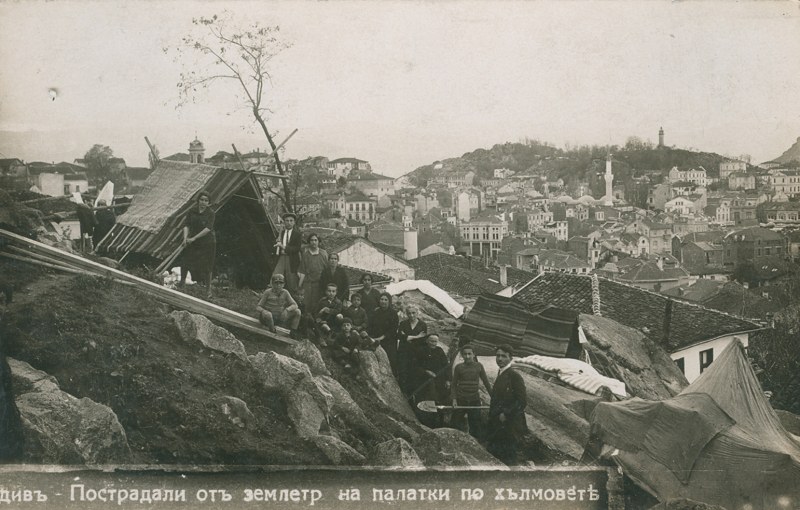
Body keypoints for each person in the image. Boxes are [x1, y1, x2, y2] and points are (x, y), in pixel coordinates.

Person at [487, 344, 527, 465]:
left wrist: (506, 413)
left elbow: (522, 401)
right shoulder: (501, 373)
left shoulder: (514, 376)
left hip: (509, 424)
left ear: (511, 358)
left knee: (509, 456)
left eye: (504, 356)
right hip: (498, 423)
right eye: (498, 356)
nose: (500, 359)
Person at [451, 344, 492, 440]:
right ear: (462, 355)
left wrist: (494, 398)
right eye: (465, 354)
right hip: (461, 399)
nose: (467, 356)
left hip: (474, 400)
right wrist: (454, 399)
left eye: (470, 354)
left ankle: (476, 446)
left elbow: (486, 383)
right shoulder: (459, 367)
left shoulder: (479, 366)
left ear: (474, 354)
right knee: (455, 424)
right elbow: (453, 385)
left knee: (476, 425)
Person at [181, 191, 216, 298]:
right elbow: (186, 225)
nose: (203, 202)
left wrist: (194, 238)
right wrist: (185, 238)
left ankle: (208, 290)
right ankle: (182, 284)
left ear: (209, 203)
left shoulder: (210, 213)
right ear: (198, 200)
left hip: (207, 242)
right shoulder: (192, 211)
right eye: (201, 200)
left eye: (206, 200)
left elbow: (208, 229)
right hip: (191, 240)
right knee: (185, 261)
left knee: (207, 266)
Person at [411, 334, 451, 428]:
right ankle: (425, 424)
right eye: (432, 341)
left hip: (438, 381)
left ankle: (438, 424)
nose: (434, 343)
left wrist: (448, 380)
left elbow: (446, 366)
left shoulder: (439, 351)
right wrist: (426, 371)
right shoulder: (420, 350)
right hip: (423, 382)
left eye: (435, 341)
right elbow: (414, 365)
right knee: (425, 402)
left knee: (438, 401)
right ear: (427, 341)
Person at [256, 273, 301, 338]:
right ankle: (272, 331)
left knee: (297, 311)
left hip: (279, 318)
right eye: (276, 283)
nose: (278, 285)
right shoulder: (268, 292)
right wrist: (264, 311)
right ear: (272, 284)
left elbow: (295, 305)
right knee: (269, 315)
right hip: (267, 319)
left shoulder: (285, 292)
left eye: (280, 283)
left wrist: (287, 310)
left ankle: (293, 332)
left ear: (284, 284)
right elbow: (258, 307)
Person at [396, 305, 428, 396]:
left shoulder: (422, 325)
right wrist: (416, 337)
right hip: (404, 351)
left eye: (413, 313)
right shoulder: (403, 324)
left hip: (415, 352)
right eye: (409, 313)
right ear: (406, 314)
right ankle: (403, 393)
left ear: (417, 313)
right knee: (402, 371)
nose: (411, 315)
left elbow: (423, 340)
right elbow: (400, 336)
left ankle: (412, 393)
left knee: (413, 372)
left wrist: (407, 337)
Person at [367, 292, 399, 373]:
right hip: (376, 339)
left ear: (389, 301)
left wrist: (381, 338)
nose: (383, 301)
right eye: (381, 299)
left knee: (390, 361)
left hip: (389, 341)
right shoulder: (375, 312)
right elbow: (370, 326)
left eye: (385, 300)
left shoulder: (393, 313)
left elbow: (393, 329)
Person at [272, 212, 302, 297]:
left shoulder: (297, 234)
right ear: (284, 222)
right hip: (281, 257)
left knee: (291, 279)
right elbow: (278, 244)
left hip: (291, 259)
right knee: (275, 275)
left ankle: (294, 299)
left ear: (294, 222)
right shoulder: (281, 232)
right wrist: (277, 245)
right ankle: (273, 296)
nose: (289, 222)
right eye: (287, 220)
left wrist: (284, 247)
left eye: (291, 221)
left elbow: (297, 248)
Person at [298, 233, 328, 315]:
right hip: (308, 284)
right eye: (311, 240)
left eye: (315, 240)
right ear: (309, 242)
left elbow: (327, 270)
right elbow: (302, 271)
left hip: (319, 284)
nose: (313, 242)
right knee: (307, 304)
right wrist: (300, 286)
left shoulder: (323, 253)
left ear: (319, 242)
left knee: (318, 304)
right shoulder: (305, 255)